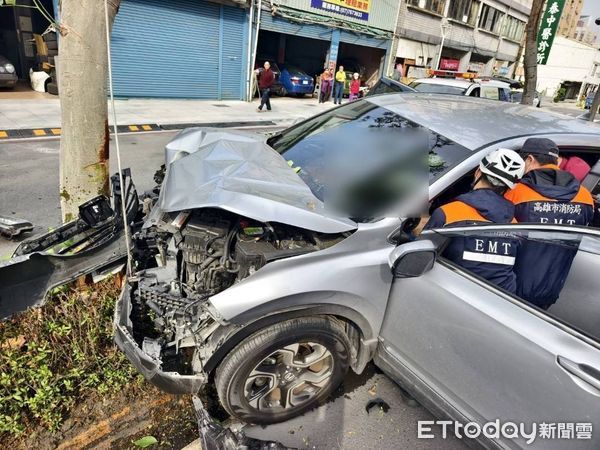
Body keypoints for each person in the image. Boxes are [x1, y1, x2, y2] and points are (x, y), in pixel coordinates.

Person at [505, 137, 595, 309]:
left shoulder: (515, 193)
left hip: (509, 286)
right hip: (550, 290)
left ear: (529, 160)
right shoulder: (585, 197)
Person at [425, 149, 525, 293]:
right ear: (509, 188)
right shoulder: (515, 225)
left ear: (478, 171)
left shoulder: (448, 213)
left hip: (454, 293)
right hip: (503, 299)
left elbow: (420, 258)